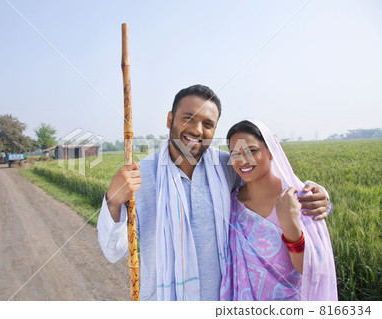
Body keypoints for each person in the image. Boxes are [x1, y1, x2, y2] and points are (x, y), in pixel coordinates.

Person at [97, 84, 332, 301]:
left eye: (208, 124)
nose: (197, 130)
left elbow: (271, 181)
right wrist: (114, 200)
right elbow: (112, 251)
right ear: (170, 120)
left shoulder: (227, 166)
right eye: (188, 118)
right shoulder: (140, 178)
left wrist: (316, 194)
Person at [220, 119, 337, 301]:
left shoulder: (300, 198)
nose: (243, 160)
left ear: (271, 152)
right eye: (235, 154)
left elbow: (312, 271)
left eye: (252, 151)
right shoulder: (231, 204)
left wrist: (290, 226)